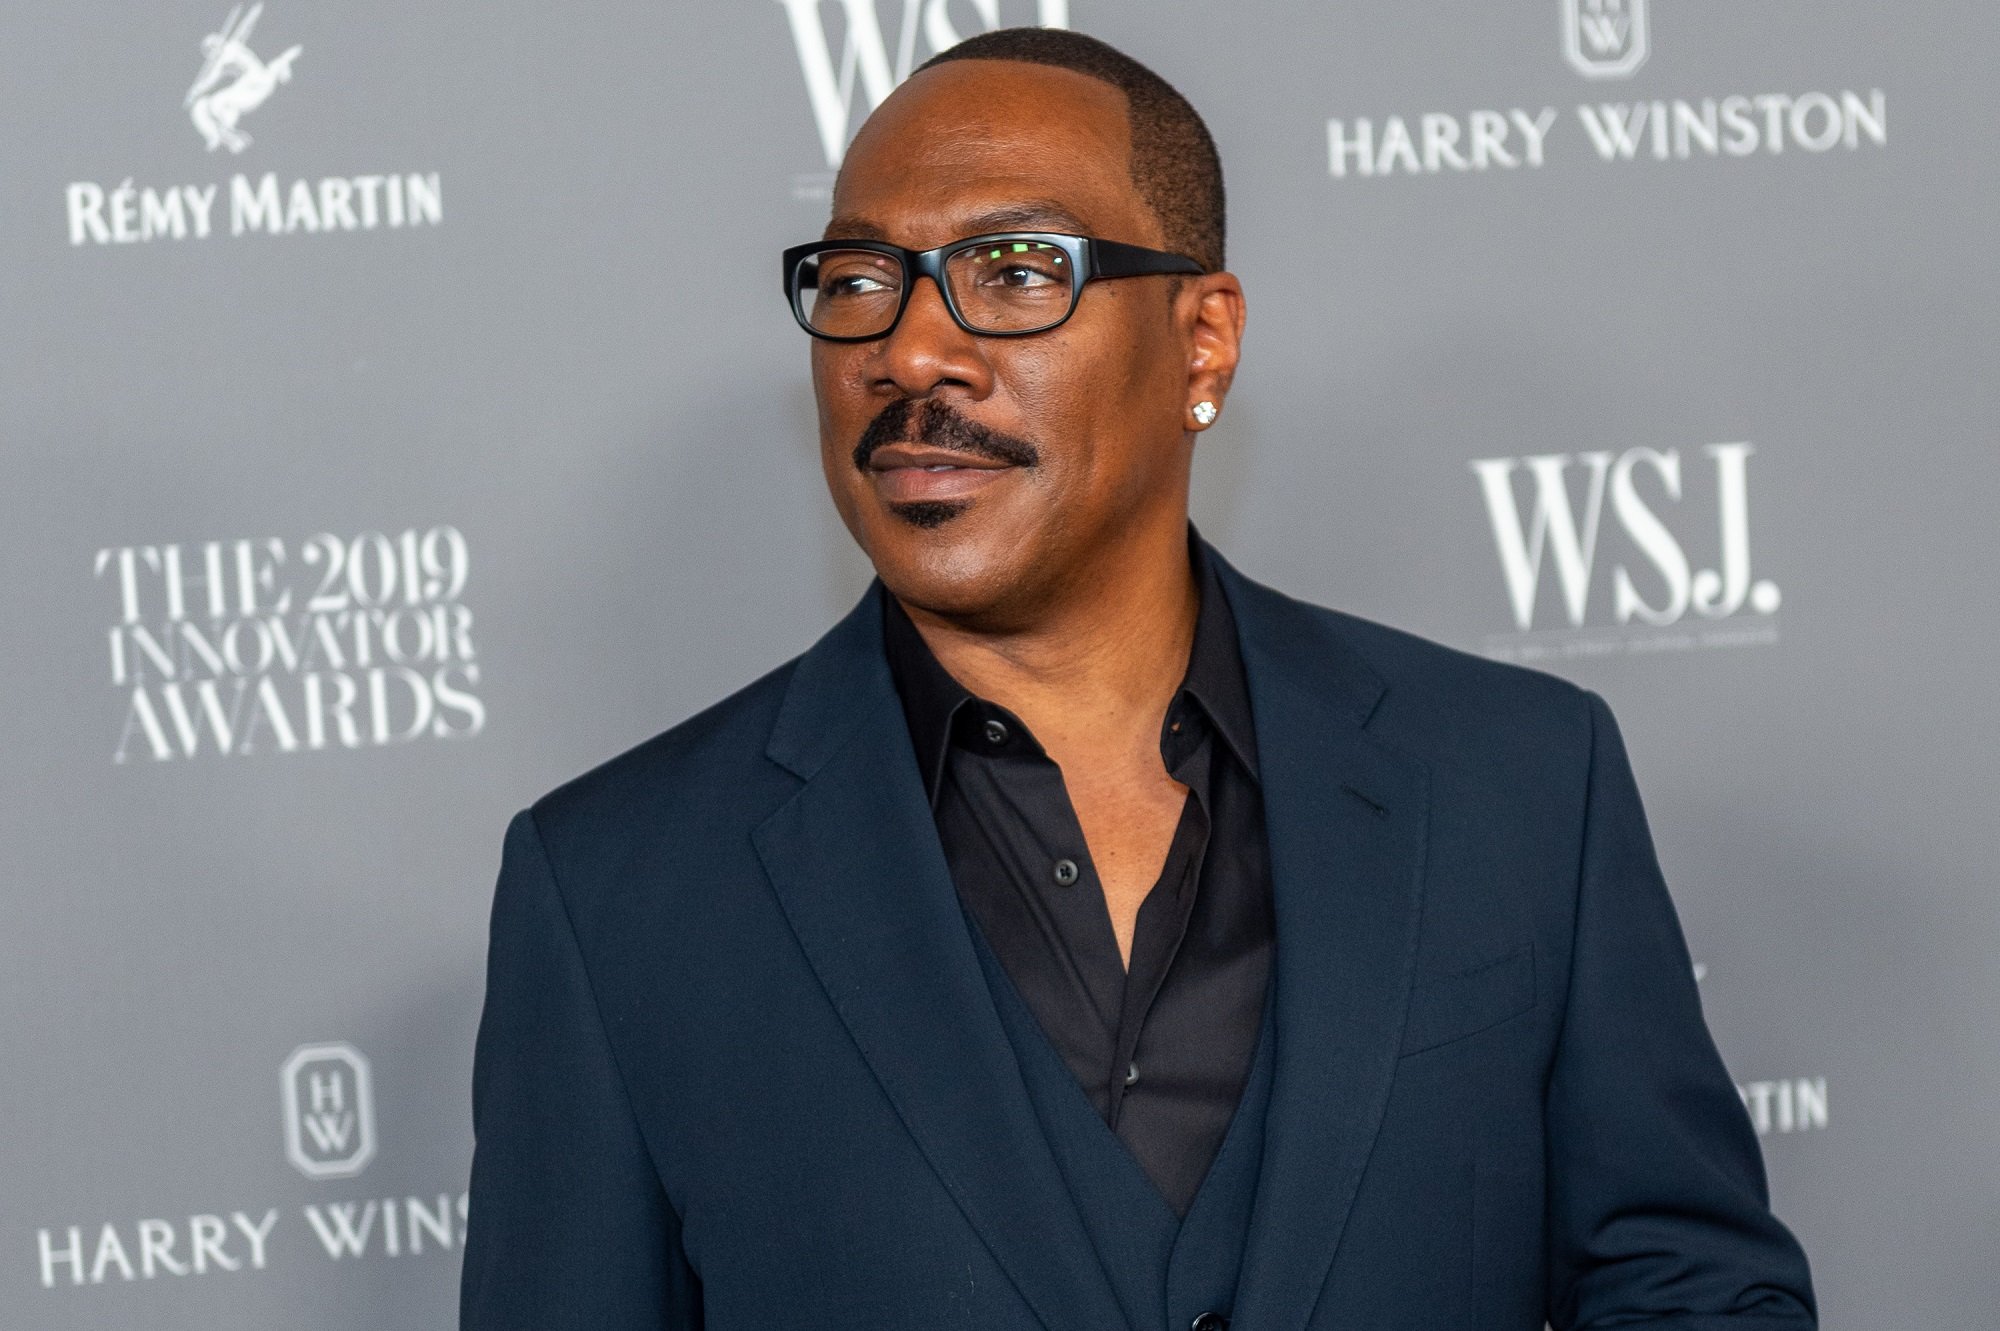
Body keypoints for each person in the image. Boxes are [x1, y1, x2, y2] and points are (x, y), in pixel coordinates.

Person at [461, 28, 1816, 1331]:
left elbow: (1692, 1291)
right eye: (861, 279)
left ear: (1202, 342)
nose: (909, 352)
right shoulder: (618, 893)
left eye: (1014, 270)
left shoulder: (1515, 781)